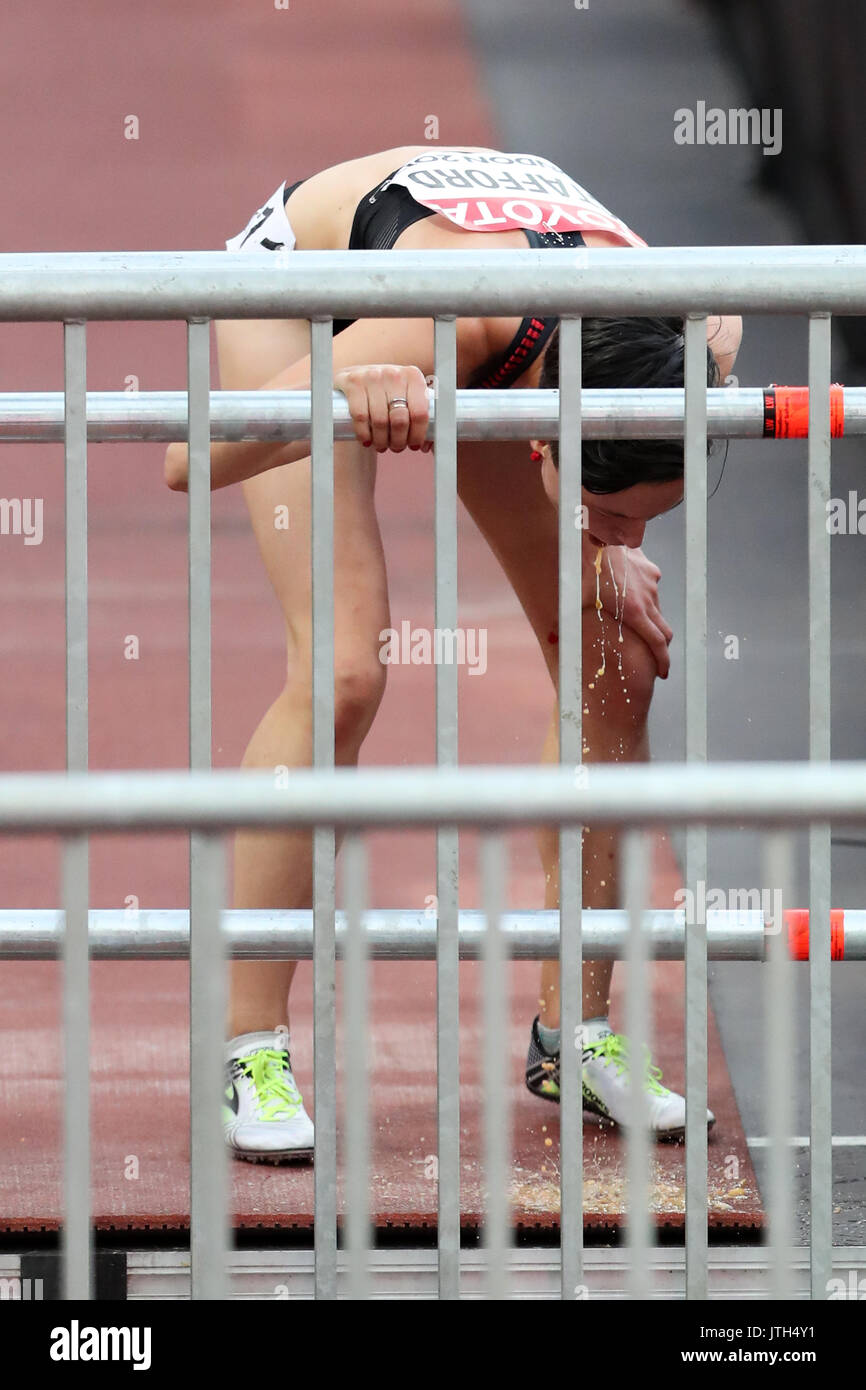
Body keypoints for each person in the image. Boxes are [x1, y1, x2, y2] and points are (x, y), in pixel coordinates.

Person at [164, 145, 742, 1160]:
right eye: (609, 511)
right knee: (345, 668)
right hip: (311, 296)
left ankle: (576, 1032)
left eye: (645, 519)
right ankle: (243, 1045)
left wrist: (601, 546)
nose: (627, 539)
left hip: (503, 331)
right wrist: (350, 392)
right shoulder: (446, 317)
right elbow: (186, 458)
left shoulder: (701, 336)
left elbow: (637, 422)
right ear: (543, 443)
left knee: (614, 653)